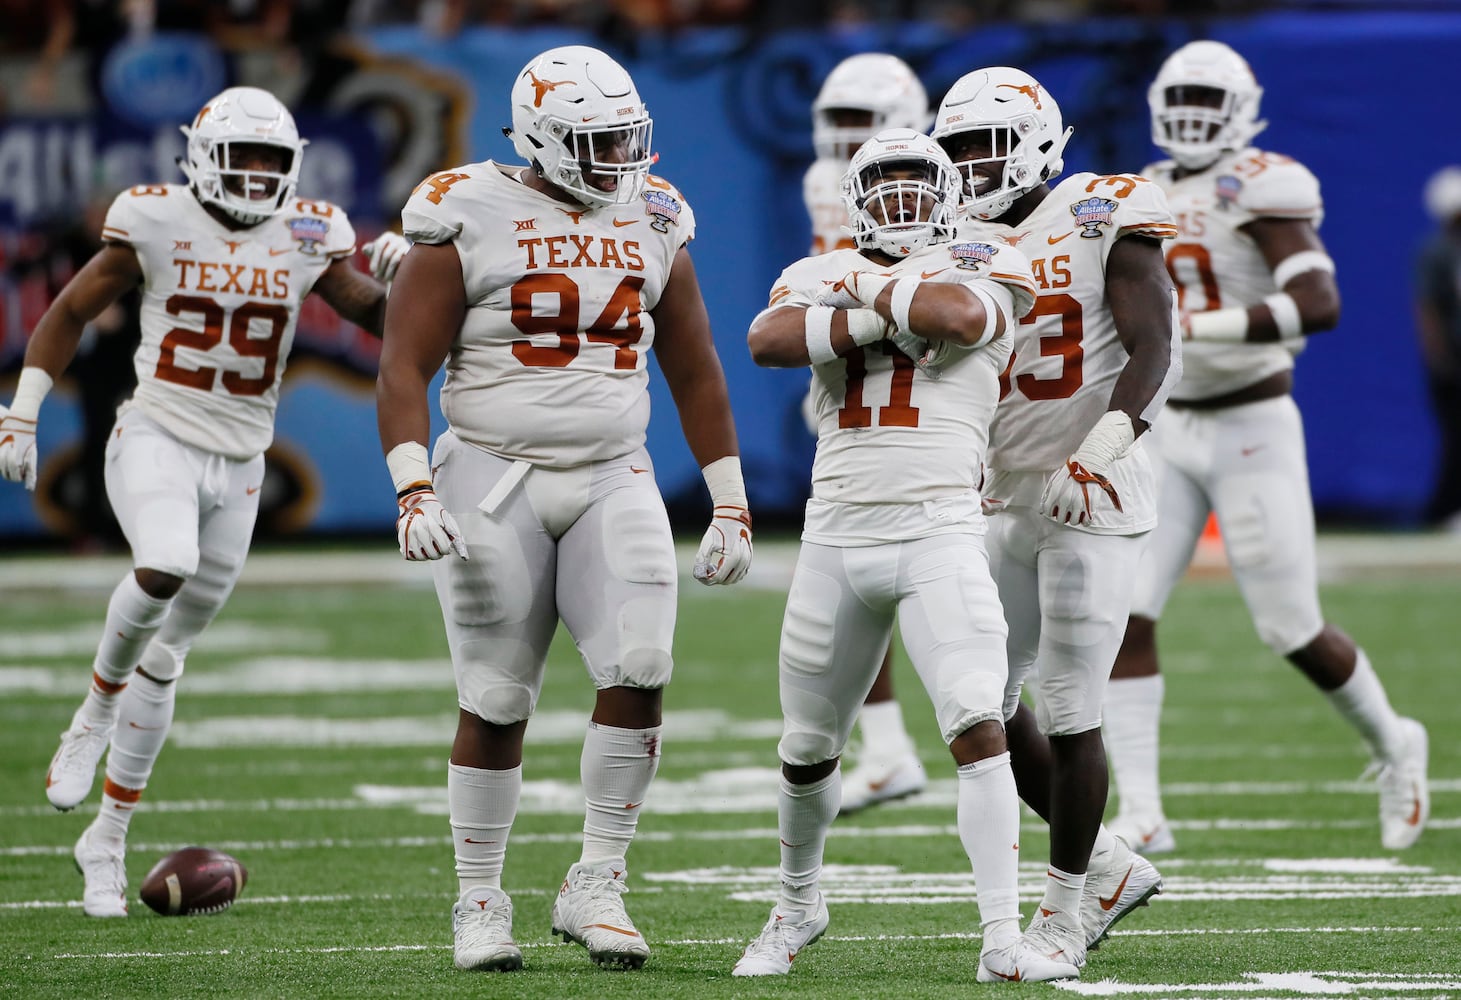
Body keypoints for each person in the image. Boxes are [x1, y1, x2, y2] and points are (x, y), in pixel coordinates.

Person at [375, 45, 755, 974]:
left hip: (612, 471)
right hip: (489, 472)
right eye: (596, 140)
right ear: (540, 139)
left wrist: (730, 501)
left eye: (627, 135)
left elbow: (694, 365)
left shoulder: (656, 214)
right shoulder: (463, 206)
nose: (620, 156)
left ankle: (596, 881)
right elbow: (404, 365)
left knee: (642, 662)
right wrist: (412, 483)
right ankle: (478, 898)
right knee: (497, 695)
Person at [0, 85, 402, 917]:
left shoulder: (309, 233)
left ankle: (106, 839)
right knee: (166, 564)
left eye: (271, 161)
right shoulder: (153, 217)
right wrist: (23, 412)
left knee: (171, 652)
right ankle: (92, 711)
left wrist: (418, 278)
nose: (257, 175)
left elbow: (375, 313)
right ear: (199, 158)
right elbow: (72, 308)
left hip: (242, 462)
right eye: (242, 157)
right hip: (155, 433)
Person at [733, 126, 1078, 984]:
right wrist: (891, 303)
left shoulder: (992, 254)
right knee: (808, 746)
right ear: (853, 198)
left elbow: (961, 316)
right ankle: (795, 904)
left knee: (978, 725)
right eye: (881, 181)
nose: (899, 197)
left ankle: (1001, 938)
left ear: (946, 190)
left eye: (915, 180)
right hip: (835, 530)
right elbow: (768, 340)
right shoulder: (816, 268)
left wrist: (849, 313)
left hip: (939, 526)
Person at [1102, 39, 1429, 855]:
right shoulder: (1137, 191)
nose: (1192, 119)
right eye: (1181, 100)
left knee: (1289, 627)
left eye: (1208, 103)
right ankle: (1141, 808)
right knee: (1124, 610)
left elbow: (1317, 303)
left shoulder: (1261, 183)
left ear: (1242, 110)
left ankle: (1394, 742)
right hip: (1169, 425)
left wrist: (1194, 328)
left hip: (1252, 424)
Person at [932, 66, 1178, 973]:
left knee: (1072, 708)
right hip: (998, 490)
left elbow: (1154, 344)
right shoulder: (946, 232)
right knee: (975, 703)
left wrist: (1103, 446)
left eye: (985, 144)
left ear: (1038, 139)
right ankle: (1108, 864)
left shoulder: (1100, 210)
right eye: (956, 147)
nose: (969, 164)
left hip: (1094, 489)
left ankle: (1064, 912)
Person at [804, 52, 933, 814]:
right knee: (859, 564)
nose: (849, 141)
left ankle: (905, 747)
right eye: (840, 123)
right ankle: (886, 749)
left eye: (864, 123)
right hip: (856, 374)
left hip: (935, 382)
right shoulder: (824, 182)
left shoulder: (939, 178)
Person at [1415, 165, 1461, 531]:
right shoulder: (1438, 253)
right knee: (1455, 437)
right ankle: (1443, 512)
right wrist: (1441, 362)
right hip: (1454, 363)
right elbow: (1428, 311)